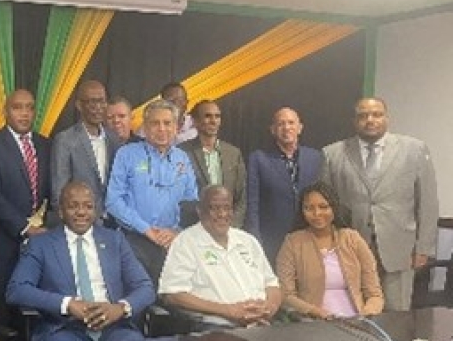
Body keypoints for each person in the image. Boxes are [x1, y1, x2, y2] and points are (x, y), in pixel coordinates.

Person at [320, 97, 438, 311]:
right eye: (363, 115)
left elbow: (428, 202)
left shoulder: (414, 149)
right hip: (351, 249)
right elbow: (326, 206)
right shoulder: (333, 154)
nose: (370, 120)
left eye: (377, 114)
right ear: (354, 121)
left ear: (387, 118)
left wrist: (424, 248)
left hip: (399, 249)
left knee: (396, 313)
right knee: (355, 312)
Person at [7, 181, 155, 341]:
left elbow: (145, 287)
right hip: (63, 328)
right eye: (73, 206)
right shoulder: (41, 244)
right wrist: (67, 304)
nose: (81, 212)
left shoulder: (115, 240)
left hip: (113, 327)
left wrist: (120, 308)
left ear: (95, 211)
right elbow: (17, 290)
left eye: (88, 206)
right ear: (61, 212)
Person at [0, 89, 50, 329]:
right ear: (5, 112)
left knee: (32, 311)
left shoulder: (45, 144)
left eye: (29, 108)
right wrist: (24, 228)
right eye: (17, 108)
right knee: (0, 311)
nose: (24, 113)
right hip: (2, 242)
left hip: (40, 241)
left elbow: (50, 192)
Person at [159, 185, 281, 330]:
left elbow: (272, 285)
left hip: (263, 325)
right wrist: (228, 310)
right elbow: (173, 294)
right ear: (200, 210)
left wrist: (268, 309)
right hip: (216, 327)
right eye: (215, 208)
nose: (222, 214)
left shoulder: (248, 241)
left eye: (227, 208)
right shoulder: (185, 242)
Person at [106, 99, 198, 283]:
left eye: (167, 123)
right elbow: (113, 201)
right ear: (145, 127)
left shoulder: (182, 158)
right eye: (155, 123)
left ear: (176, 128)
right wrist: (146, 229)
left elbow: (192, 201)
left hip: (173, 243)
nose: (162, 129)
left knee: (173, 296)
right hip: (135, 241)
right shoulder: (127, 154)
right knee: (141, 295)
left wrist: (176, 232)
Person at [276, 182, 384, 319]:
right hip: (313, 322)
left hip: (357, 320)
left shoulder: (353, 239)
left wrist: (366, 314)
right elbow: (286, 295)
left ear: (334, 208)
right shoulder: (292, 243)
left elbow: (375, 294)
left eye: (323, 207)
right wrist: (314, 311)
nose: (316, 213)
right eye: (309, 208)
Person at [247, 107, 323, 264]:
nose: (287, 127)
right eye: (281, 124)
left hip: (309, 237)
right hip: (272, 240)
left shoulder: (315, 157)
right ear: (273, 130)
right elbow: (252, 203)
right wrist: (255, 240)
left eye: (291, 123)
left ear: (300, 128)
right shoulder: (258, 159)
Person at [51, 80, 122, 228]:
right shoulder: (65, 140)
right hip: (79, 224)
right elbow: (59, 190)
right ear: (79, 105)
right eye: (92, 102)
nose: (98, 107)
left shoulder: (113, 139)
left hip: (112, 224)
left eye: (102, 101)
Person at [178, 100, 246, 228]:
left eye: (217, 116)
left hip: (228, 228)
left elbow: (241, 198)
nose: (213, 121)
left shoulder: (233, 153)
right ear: (195, 121)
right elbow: (179, 197)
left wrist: (231, 226)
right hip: (194, 228)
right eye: (208, 116)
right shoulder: (182, 152)